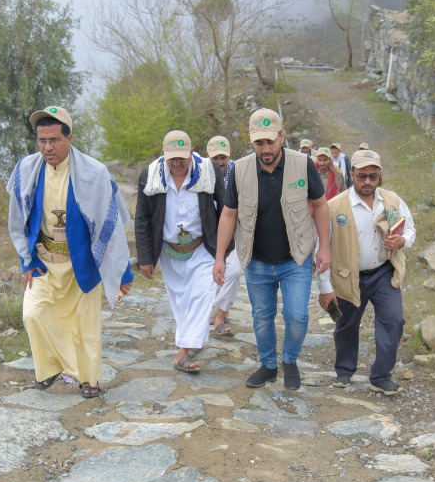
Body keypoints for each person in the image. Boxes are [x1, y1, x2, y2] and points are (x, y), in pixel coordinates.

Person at [7, 106, 133, 398]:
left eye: (54, 140)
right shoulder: (27, 169)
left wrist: (122, 272)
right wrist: (26, 260)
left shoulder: (93, 172)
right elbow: (17, 219)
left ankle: (88, 379)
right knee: (33, 315)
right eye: (41, 140)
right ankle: (49, 368)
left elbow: (110, 226)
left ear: (69, 138)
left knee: (85, 326)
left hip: (82, 264)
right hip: (44, 262)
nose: (47, 147)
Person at [213, 108, 331, 391]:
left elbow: (320, 204)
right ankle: (268, 365)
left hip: (296, 256)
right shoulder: (240, 169)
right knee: (261, 316)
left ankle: (289, 360)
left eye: (270, 141)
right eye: (259, 143)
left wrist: (324, 247)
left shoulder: (303, 164)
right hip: (257, 260)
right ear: (252, 142)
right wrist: (220, 257)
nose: (265, 149)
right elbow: (229, 214)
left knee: (297, 316)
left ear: (281, 137)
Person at [317, 148, 416, 395]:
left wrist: (401, 241)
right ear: (352, 174)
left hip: (384, 272)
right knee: (346, 322)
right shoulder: (334, 206)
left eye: (373, 176)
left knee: (394, 320)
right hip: (348, 274)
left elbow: (410, 228)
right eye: (362, 176)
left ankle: (381, 376)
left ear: (379, 175)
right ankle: (344, 370)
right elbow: (321, 249)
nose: (368, 182)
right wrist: (324, 287)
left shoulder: (392, 200)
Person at [135, 131, 221, 373]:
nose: (177, 162)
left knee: (203, 293)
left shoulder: (208, 171)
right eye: (172, 157)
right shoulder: (150, 176)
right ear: (164, 155)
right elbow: (142, 220)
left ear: (191, 153)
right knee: (181, 301)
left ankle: (184, 352)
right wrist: (145, 258)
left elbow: (225, 208)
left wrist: (223, 252)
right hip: (168, 250)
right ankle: (190, 343)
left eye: (182, 157)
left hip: (203, 248)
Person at [207, 135, 240, 338]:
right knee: (215, 272)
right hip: (211, 229)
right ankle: (222, 309)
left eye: (223, 157)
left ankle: (219, 317)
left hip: (238, 229)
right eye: (215, 158)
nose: (220, 162)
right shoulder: (200, 172)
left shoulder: (239, 171)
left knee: (234, 272)